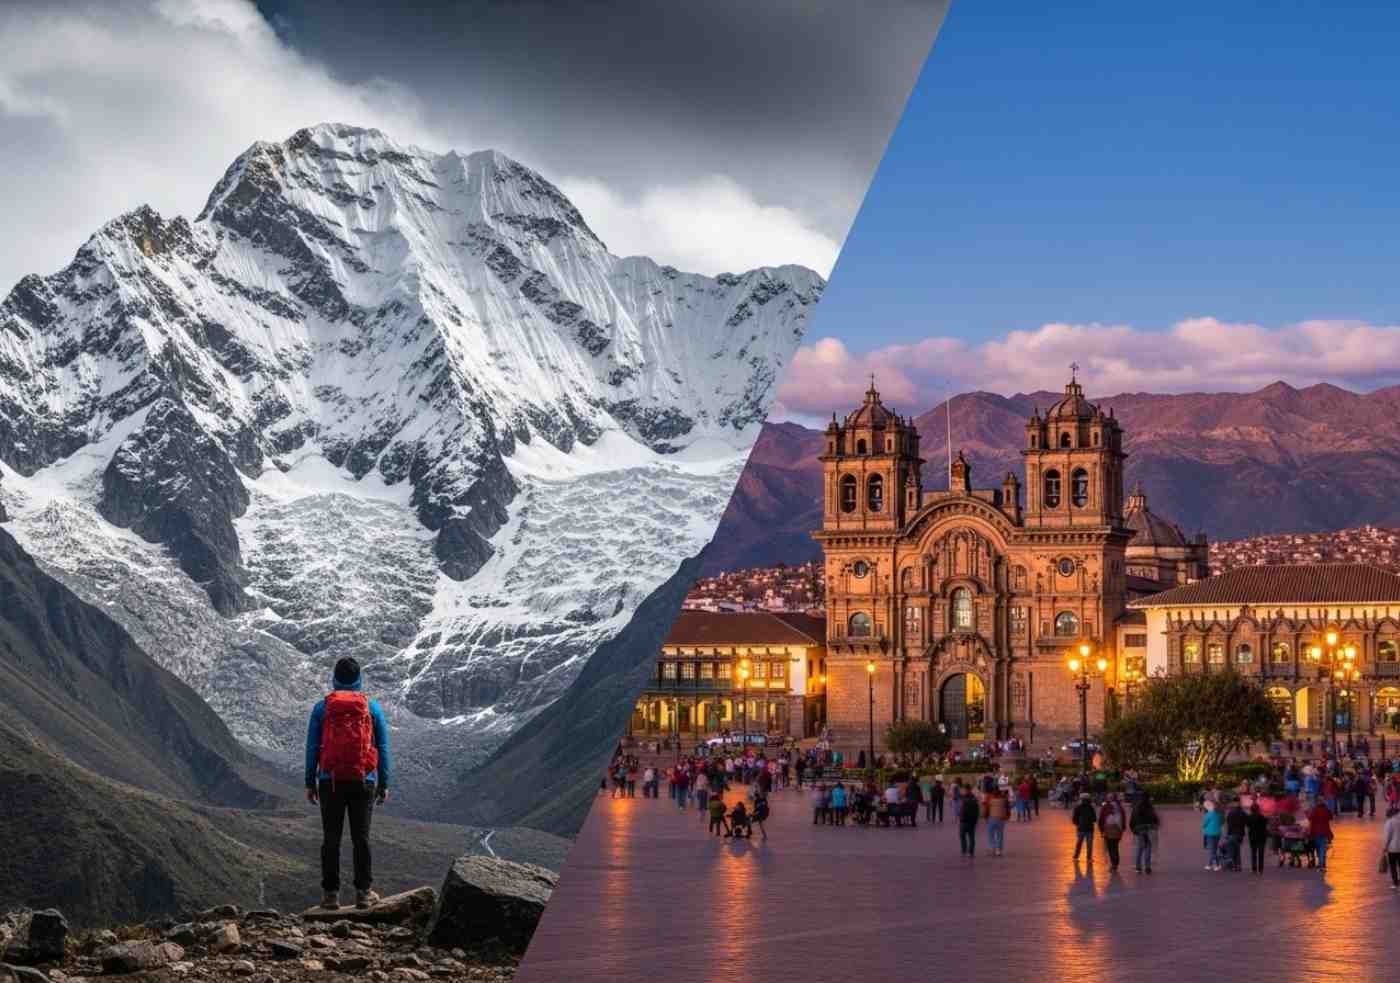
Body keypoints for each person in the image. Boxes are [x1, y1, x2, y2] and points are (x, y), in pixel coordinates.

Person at [305, 657, 391, 910]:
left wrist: (310, 781)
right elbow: (382, 748)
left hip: (329, 781)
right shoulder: (371, 708)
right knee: (361, 838)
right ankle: (363, 894)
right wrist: (384, 782)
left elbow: (312, 747)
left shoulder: (322, 709)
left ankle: (330, 896)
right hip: (364, 780)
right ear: (359, 678)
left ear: (334, 677)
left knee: (331, 838)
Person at [1129, 791, 1159, 874]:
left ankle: (1138, 867)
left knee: (1140, 848)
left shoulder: (1137, 807)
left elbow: (1132, 820)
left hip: (1140, 830)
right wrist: (1154, 825)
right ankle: (1147, 867)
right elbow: (1154, 818)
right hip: (1148, 829)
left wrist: (1133, 829)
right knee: (1148, 847)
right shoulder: (1149, 807)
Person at [1098, 793, 1127, 871]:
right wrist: (1123, 828)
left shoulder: (1106, 806)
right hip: (1118, 829)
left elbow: (1101, 818)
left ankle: (1114, 864)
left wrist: (1101, 829)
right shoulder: (1119, 807)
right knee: (1115, 846)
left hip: (1108, 829)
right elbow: (1123, 817)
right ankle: (1115, 863)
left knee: (1111, 847)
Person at [1308, 798, 1334, 871]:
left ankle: (1321, 864)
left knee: (1320, 848)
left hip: (1316, 832)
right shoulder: (1326, 809)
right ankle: (1322, 863)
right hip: (1325, 831)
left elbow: (1310, 818)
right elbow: (1331, 817)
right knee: (1323, 848)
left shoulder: (1315, 809)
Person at [1072, 793, 1097, 863]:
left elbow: (1074, 819)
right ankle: (1087, 858)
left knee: (1080, 844)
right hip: (1088, 828)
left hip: (1082, 828)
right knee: (1088, 844)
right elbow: (1094, 818)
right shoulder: (1090, 807)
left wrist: (1078, 824)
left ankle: (1076, 857)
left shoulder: (1079, 807)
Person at [1245, 803, 1270, 874]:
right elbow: (1266, 824)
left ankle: (1254, 869)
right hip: (1261, 837)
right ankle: (1261, 869)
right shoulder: (1262, 817)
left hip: (1252, 837)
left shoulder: (1249, 817)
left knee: (1253, 853)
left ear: (1251, 810)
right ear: (1258, 809)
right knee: (1261, 854)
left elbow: (1247, 825)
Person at [1224, 799, 1247, 871]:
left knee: (1232, 849)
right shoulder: (1243, 813)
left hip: (1231, 833)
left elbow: (1227, 823)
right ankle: (1238, 865)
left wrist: (1227, 834)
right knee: (1237, 849)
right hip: (1240, 834)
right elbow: (1247, 822)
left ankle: (1232, 863)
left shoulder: (1230, 813)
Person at [958, 784, 980, 857]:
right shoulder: (974, 799)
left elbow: (961, 810)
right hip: (972, 821)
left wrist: (960, 817)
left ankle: (964, 851)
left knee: (962, 836)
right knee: (971, 837)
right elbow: (977, 811)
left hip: (964, 821)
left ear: (965, 789)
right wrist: (976, 820)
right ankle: (971, 852)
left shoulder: (963, 799)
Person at [1201, 799, 1224, 871]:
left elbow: (1204, 824)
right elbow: (1222, 822)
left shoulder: (1207, 815)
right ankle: (1209, 864)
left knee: (1212, 850)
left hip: (1210, 833)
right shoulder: (1219, 814)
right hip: (1218, 833)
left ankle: (1217, 865)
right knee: (1214, 849)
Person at [985, 788, 1009, 856]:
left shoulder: (990, 800)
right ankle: (999, 850)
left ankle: (993, 848)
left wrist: (986, 817)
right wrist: (1007, 816)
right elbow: (1007, 808)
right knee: (1000, 835)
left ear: (993, 794)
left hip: (992, 818)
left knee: (990, 834)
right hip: (1001, 819)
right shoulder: (1004, 800)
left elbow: (987, 809)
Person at [1383, 807, 1400, 889]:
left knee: (1393, 866)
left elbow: (1387, 837)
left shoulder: (1389, 822)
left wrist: (1385, 847)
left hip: (1393, 848)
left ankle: (1395, 883)